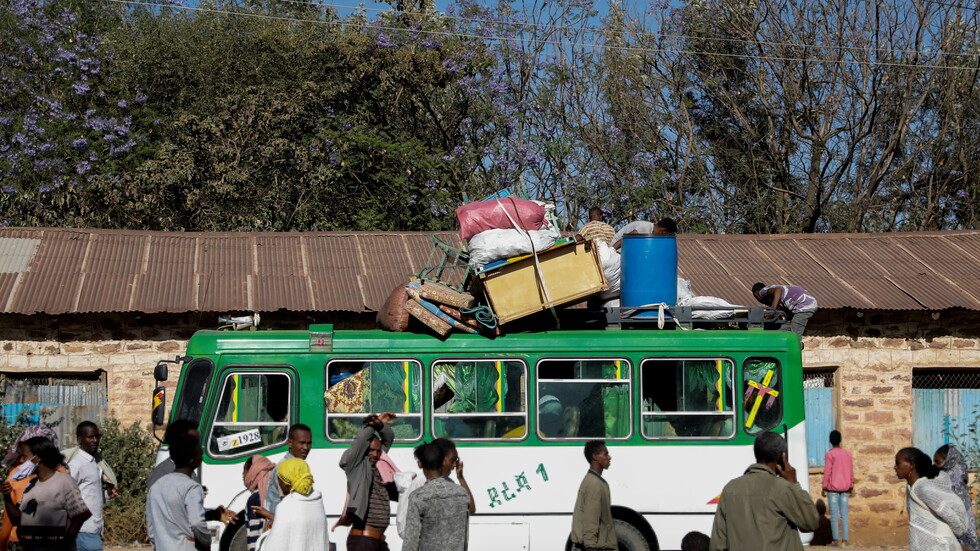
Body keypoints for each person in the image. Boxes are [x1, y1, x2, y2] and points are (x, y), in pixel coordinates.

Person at [709, 431, 819, 551]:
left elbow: (717, 544)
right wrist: (794, 484)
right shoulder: (784, 488)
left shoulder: (730, 488)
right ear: (781, 457)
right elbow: (811, 522)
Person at [1, 436, 92, 551]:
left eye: (25, 456)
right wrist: (7, 496)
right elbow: (17, 520)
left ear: (37, 458)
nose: (22, 461)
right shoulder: (30, 485)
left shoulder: (64, 482)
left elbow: (81, 515)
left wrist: (64, 544)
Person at [147, 419, 236, 526]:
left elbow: (190, 511)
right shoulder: (162, 474)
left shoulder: (188, 472)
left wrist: (214, 514)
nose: (200, 449)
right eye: (194, 442)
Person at [339, 412, 398, 550]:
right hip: (363, 541)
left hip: (378, 541)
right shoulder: (356, 467)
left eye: (378, 451)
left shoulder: (379, 465)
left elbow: (389, 438)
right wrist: (371, 426)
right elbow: (360, 441)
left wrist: (380, 425)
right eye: (371, 450)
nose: (375, 454)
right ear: (363, 451)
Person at [895, 447, 970, 551]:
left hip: (941, 545)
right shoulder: (910, 487)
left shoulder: (923, 489)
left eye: (898, 463)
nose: (895, 467)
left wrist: (956, 535)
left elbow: (948, 514)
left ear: (911, 465)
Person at [401, 442, 471, 551]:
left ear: (419, 464)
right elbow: (464, 538)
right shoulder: (461, 493)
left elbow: (411, 541)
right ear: (442, 462)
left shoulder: (418, 497)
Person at [146, 432, 209, 551]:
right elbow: (197, 522)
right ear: (191, 459)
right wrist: (205, 541)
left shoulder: (157, 486)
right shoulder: (191, 487)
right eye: (200, 453)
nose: (202, 455)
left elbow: (151, 527)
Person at [0, 426, 60, 551]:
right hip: (18, 541)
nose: (23, 459)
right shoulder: (17, 474)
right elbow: (10, 518)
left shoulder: (61, 476)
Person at [251, 458, 329, 551]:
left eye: (278, 479)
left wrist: (262, 540)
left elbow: (275, 545)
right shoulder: (317, 501)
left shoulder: (286, 506)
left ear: (285, 484)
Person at [64, 421, 120, 551]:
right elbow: (66, 495)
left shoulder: (96, 462)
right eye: (90, 437)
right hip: (83, 529)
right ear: (79, 439)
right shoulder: (77, 464)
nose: (95, 440)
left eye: (97, 436)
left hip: (94, 528)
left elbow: (88, 495)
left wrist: (107, 495)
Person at [570, 440, 616, 551]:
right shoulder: (594, 483)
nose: (609, 457)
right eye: (606, 454)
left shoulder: (594, 480)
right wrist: (590, 546)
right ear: (595, 456)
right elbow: (591, 518)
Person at [934, 445, 979, 551]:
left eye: (937, 462)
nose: (934, 465)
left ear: (949, 461)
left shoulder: (953, 483)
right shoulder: (946, 478)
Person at [265, 424, 313, 515]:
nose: (306, 448)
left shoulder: (298, 465)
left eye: (309, 443)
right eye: (302, 443)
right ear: (290, 443)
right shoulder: (285, 467)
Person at [821, 430, 854, 548]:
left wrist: (824, 486)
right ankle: (845, 541)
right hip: (845, 488)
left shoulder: (829, 454)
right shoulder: (847, 454)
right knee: (844, 514)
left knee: (834, 515)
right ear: (840, 440)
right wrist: (851, 485)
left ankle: (835, 540)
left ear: (830, 441)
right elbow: (850, 471)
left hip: (833, 489)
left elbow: (827, 472)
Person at [751, 282, 818, 337]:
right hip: (800, 307)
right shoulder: (775, 296)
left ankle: (795, 346)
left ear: (756, 293)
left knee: (795, 334)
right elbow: (785, 308)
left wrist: (772, 311)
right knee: (783, 329)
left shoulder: (762, 291)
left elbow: (778, 290)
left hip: (804, 307)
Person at [433, 438, 476, 514]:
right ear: (441, 460)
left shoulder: (448, 482)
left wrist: (460, 478)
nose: (455, 465)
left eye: (456, 461)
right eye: (452, 460)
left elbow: (470, 508)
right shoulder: (422, 482)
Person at [242, 455, 275, 551]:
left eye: (244, 471)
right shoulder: (275, 493)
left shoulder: (255, 498)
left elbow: (254, 532)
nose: (242, 475)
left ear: (253, 472)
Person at [611, 218, 677, 249]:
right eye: (666, 234)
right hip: (617, 248)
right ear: (663, 230)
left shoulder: (652, 234)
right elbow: (625, 239)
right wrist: (611, 252)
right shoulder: (645, 228)